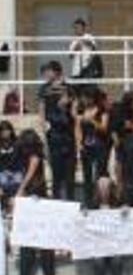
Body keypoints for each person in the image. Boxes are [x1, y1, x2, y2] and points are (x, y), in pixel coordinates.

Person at [13, 129, 61, 275]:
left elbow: (32, 172)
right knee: (39, 259)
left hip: (38, 204)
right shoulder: (36, 158)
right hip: (37, 206)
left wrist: (20, 190)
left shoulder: (35, 158)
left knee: (34, 258)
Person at [38, 61, 77, 200]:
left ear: (56, 72)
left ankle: (71, 202)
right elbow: (42, 112)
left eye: (48, 71)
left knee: (69, 174)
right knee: (56, 173)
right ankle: (56, 203)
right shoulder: (44, 89)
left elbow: (74, 114)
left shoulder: (69, 89)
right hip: (53, 135)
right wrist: (44, 130)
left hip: (67, 135)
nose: (45, 74)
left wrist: (66, 105)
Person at [90, 177, 126, 275]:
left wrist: (125, 211)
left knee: (117, 261)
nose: (104, 191)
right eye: (101, 188)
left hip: (115, 245)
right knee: (98, 262)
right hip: (98, 246)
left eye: (106, 187)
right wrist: (83, 214)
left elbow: (126, 220)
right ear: (97, 190)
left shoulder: (118, 202)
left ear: (111, 189)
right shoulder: (91, 204)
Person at [75, 88, 110, 204]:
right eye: (83, 98)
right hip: (86, 145)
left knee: (99, 173)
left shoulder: (102, 111)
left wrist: (93, 121)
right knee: (87, 174)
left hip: (99, 144)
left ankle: (100, 199)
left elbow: (104, 128)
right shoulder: (81, 111)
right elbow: (78, 129)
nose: (85, 100)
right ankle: (88, 200)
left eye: (87, 98)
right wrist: (79, 144)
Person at [69, 18, 101, 96]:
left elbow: (94, 48)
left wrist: (85, 41)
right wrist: (76, 48)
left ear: (83, 28)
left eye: (78, 27)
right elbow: (70, 55)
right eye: (75, 28)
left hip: (88, 69)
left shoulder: (89, 37)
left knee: (89, 91)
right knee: (76, 91)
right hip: (76, 70)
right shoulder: (73, 40)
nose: (77, 29)